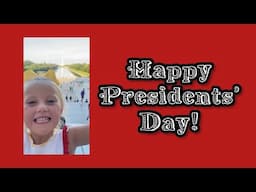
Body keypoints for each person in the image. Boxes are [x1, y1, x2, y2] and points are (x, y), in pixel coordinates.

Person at [24, 77, 89, 155]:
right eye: (31, 102)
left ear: (61, 109)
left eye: (50, 101)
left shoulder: (69, 137)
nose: (42, 108)